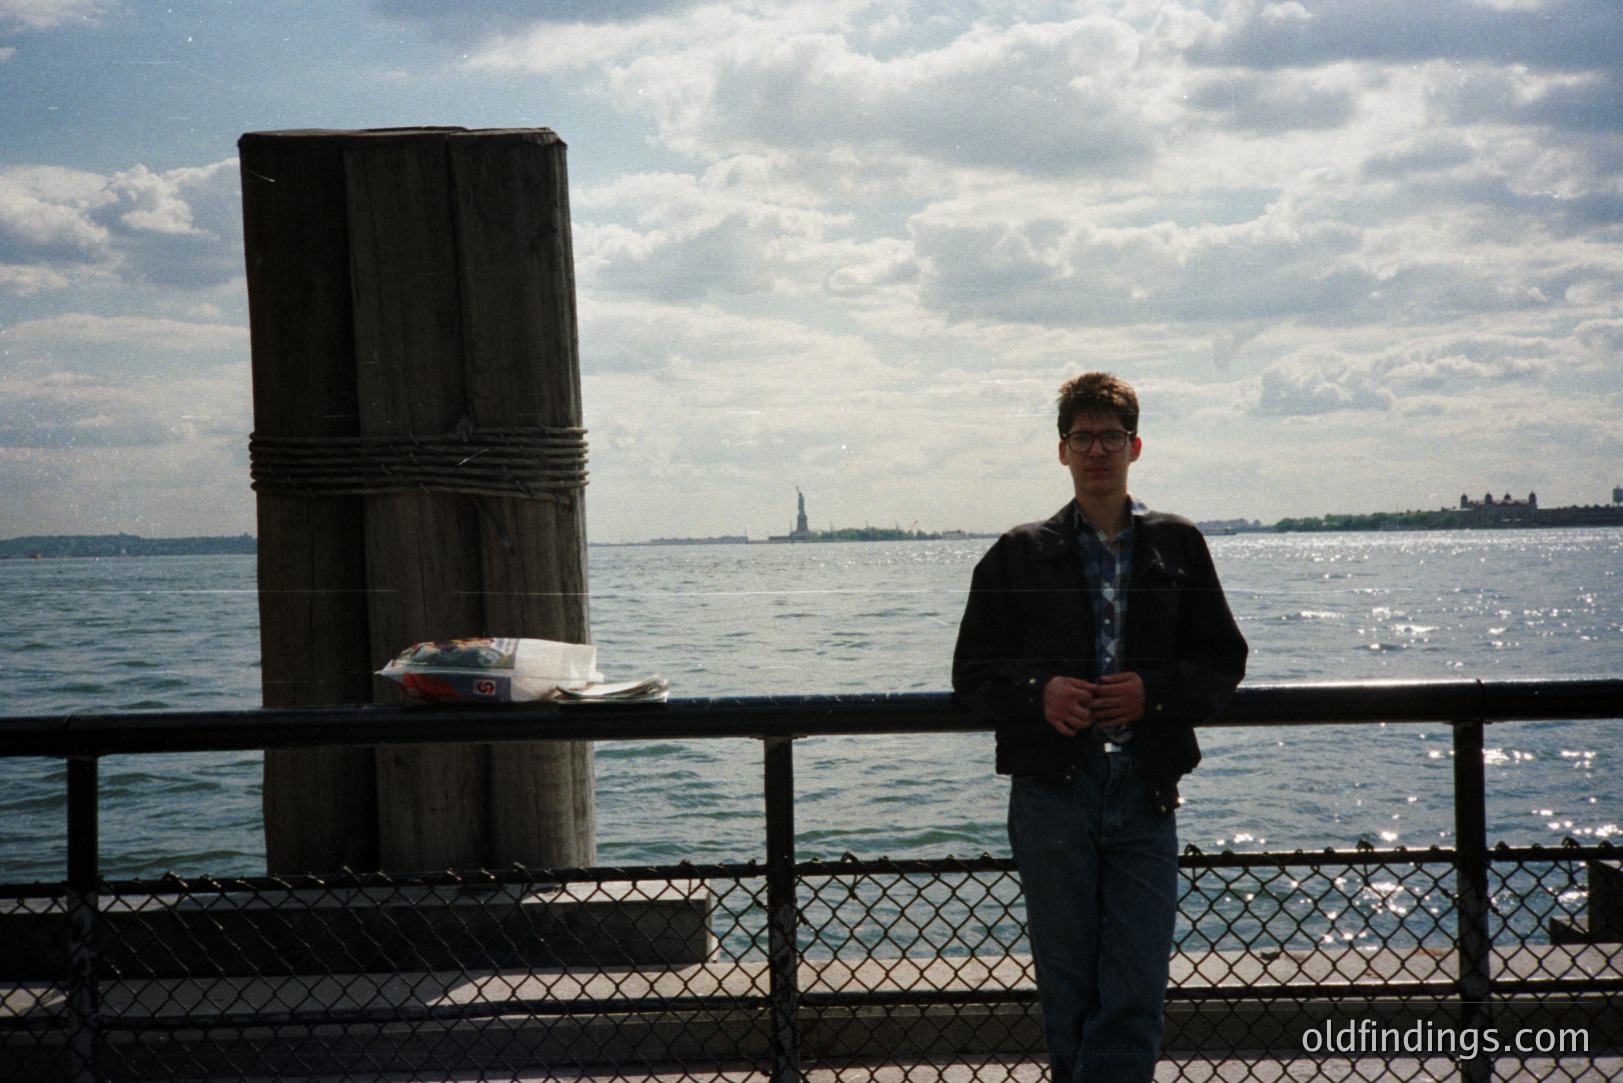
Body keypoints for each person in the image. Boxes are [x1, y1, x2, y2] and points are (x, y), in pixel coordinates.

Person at [952, 372, 1247, 1083]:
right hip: (1053, 790)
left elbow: (1221, 659)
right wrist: (1037, 692)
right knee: (1070, 993)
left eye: (1109, 437)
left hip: (1145, 787)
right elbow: (972, 672)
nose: (1096, 451)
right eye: (1081, 437)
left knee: (1135, 989)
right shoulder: (1019, 553)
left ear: (1134, 447)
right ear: (1060, 451)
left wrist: (1152, 692)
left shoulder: (1176, 545)